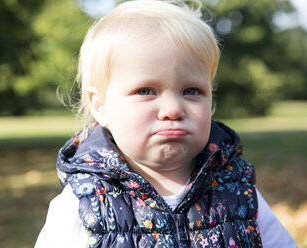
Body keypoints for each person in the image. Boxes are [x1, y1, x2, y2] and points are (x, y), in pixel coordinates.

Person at [35, 0, 298, 247]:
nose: (173, 109)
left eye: (192, 91)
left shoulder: (237, 189)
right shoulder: (83, 202)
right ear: (100, 106)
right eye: (146, 90)